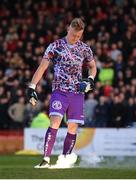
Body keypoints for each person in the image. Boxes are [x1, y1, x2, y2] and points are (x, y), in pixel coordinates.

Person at [27, 18, 97, 169]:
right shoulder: (55, 46)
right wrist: (32, 86)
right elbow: (42, 67)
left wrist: (90, 79)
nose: (75, 38)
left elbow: (93, 67)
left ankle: (65, 159)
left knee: (73, 127)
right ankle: (46, 159)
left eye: (79, 36)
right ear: (68, 29)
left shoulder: (84, 48)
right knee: (55, 122)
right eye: (73, 35)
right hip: (59, 91)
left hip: (77, 92)